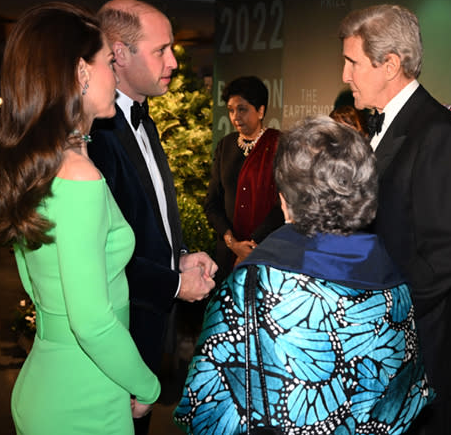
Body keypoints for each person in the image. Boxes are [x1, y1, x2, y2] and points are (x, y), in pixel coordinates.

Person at [175, 116, 431, 434]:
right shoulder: (397, 285)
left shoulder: (253, 285)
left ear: (283, 201)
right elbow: (405, 404)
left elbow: (205, 406)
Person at [0, 2, 160, 434]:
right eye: (108, 64)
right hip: (86, 396)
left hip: (49, 382)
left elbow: (40, 285)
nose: (115, 77)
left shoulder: (39, 167)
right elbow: (92, 321)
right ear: (81, 71)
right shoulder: (78, 175)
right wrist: (148, 387)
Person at [339, 4, 451, 435]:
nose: (345, 76)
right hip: (393, 352)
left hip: (423, 355)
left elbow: (449, 253)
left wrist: (380, 313)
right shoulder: (388, 124)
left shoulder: (435, 130)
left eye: (352, 63)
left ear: (391, 64)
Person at [88, 0, 217, 434]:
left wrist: (179, 256)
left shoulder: (145, 120)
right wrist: (177, 283)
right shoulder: (96, 135)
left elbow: (146, 219)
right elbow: (101, 254)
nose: (174, 62)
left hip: (149, 318)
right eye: (161, 50)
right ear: (119, 54)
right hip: (118, 327)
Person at [204, 76, 283, 283]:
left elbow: (283, 203)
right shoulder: (225, 146)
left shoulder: (279, 145)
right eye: (231, 110)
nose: (235, 116)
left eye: (242, 109)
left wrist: (252, 244)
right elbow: (212, 202)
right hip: (227, 251)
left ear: (261, 111)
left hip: (266, 251)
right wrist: (233, 243)